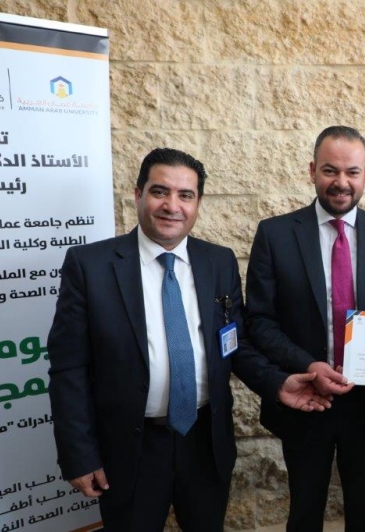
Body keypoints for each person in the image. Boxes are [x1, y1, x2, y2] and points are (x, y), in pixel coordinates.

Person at [47, 148, 331, 532]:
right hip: (129, 448)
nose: (172, 206)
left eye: (185, 195)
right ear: (138, 194)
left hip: (205, 442)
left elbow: (234, 344)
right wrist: (79, 454)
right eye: (159, 191)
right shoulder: (90, 266)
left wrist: (278, 384)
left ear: (197, 203)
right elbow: (69, 368)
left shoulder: (219, 261)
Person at [245, 125, 365, 531]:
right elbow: (259, 321)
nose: (341, 182)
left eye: (352, 172)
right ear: (312, 171)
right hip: (307, 397)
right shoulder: (275, 234)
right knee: (304, 514)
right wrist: (308, 366)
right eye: (330, 170)